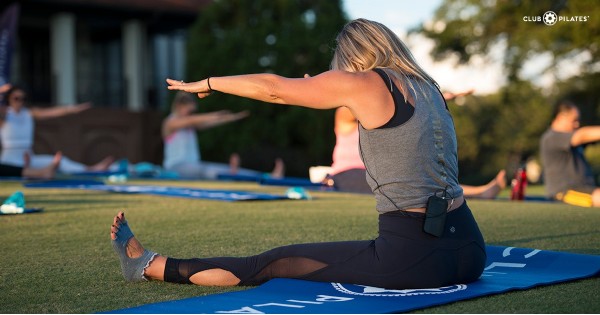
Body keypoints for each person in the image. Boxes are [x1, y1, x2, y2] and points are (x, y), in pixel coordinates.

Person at [110, 18, 486, 289]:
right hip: (470, 250)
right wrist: (322, 87)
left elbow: (273, 88)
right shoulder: (428, 87)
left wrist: (208, 83)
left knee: (273, 263)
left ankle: (148, 265)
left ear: (354, 60)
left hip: (414, 258)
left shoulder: (366, 82)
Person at [326, 95, 506, 198]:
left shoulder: (382, 123)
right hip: (348, 174)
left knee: (423, 180)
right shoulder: (345, 115)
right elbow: (360, 104)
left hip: (376, 173)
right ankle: (480, 193)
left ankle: (480, 192)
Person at [163, 91, 284, 179]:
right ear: (179, 107)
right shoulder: (170, 122)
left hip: (194, 166)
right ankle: (237, 176)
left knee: (226, 169)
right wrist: (219, 114)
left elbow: (209, 123)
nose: (191, 114)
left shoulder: (189, 125)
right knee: (211, 171)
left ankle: (268, 177)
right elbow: (195, 120)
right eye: (190, 111)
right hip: (176, 167)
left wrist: (230, 118)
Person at [0, 85, 114, 172]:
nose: (20, 101)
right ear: (9, 99)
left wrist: (73, 109)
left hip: (28, 156)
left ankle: (91, 169)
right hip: (10, 159)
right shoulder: (5, 115)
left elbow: (53, 112)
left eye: (23, 98)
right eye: (16, 98)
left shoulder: (29, 113)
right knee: (23, 171)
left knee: (61, 161)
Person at [540, 100, 600, 207]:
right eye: (574, 120)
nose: (577, 124)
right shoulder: (552, 137)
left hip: (586, 190)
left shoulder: (568, 139)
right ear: (560, 118)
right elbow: (582, 136)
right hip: (564, 193)